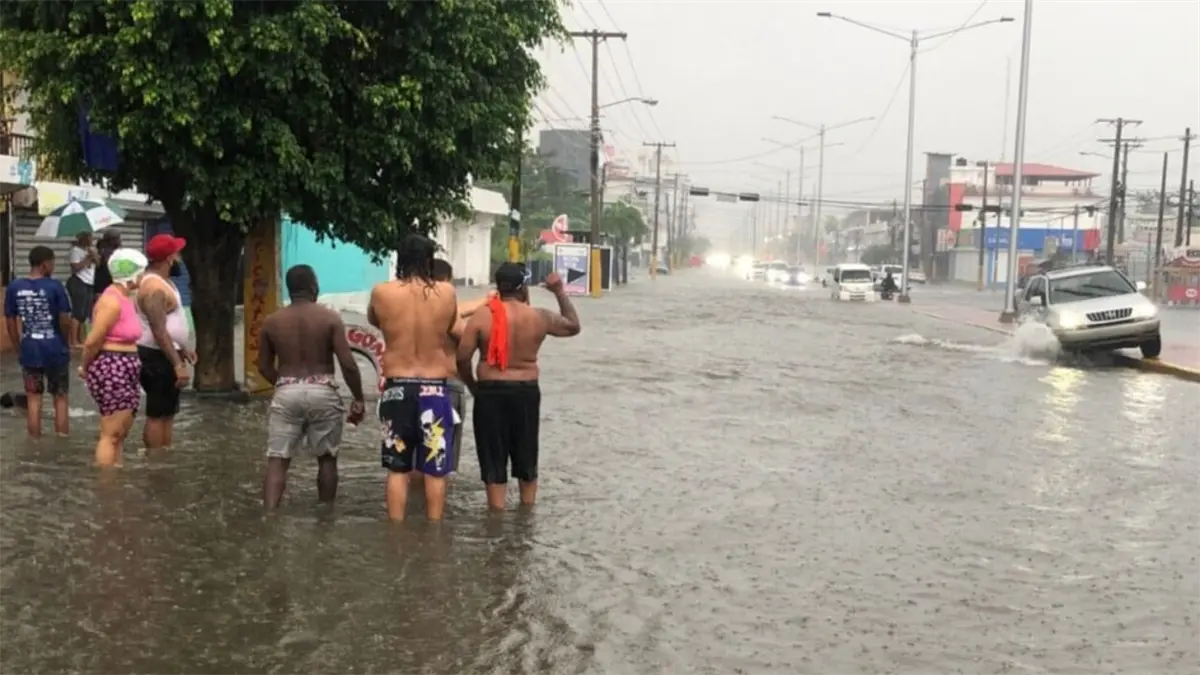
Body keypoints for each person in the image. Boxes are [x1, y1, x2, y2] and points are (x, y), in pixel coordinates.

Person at [456, 266, 580, 510]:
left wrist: (473, 385)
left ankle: (496, 517)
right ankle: (527, 515)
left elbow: (462, 358)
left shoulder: (482, 316)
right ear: (523, 287)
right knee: (526, 453)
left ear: (498, 287)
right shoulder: (538, 317)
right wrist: (559, 292)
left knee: (493, 457)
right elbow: (573, 326)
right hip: (525, 391)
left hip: (490, 392)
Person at [368, 234, 460, 521]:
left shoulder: (382, 292)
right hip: (435, 391)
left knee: (398, 469)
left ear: (400, 259)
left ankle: (395, 536)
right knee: (436, 468)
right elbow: (452, 326)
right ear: (429, 260)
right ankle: (433, 534)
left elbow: (375, 320)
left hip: (397, 391)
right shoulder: (447, 293)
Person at [258, 264, 366, 508]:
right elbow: (348, 364)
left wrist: (286, 384)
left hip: (286, 391)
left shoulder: (272, 322)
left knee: (277, 460)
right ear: (314, 287)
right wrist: (357, 398)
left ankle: (269, 516)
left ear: (290, 289)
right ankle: (325, 516)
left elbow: (263, 366)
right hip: (323, 391)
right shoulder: (330, 318)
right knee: (327, 459)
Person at [80, 249, 149, 466]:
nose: (143, 277)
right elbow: (92, 341)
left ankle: (116, 477)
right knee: (111, 433)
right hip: (112, 366)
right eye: (141, 272)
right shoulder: (111, 301)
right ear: (132, 275)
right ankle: (107, 486)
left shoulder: (125, 298)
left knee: (120, 433)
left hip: (124, 365)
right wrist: (85, 366)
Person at [426, 258, 492, 479]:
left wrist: (482, 302)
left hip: (414, 383)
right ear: (446, 282)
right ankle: (440, 510)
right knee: (443, 461)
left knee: (415, 459)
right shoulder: (449, 316)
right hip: (447, 385)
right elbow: (465, 336)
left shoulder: (414, 308)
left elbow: (455, 312)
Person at [4, 246, 73, 438]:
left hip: (30, 349)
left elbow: (10, 321)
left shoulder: (14, 287)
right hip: (54, 348)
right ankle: (62, 442)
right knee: (60, 397)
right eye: (52, 263)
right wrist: (64, 341)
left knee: (33, 399)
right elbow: (65, 319)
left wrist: (18, 346)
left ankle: (34, 443)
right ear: (44, 264)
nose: (53, 266)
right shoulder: (55, 287)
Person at [137, 233, 194, 450]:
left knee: (168, 412)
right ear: (169, 258)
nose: (179, 258)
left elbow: (169, 324)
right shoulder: (154, 288)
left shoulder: (164, 283)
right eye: (177, 253)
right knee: (157, 414)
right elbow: (159, 331)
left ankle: (163, 460)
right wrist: (178, 365)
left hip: (165, 355)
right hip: (155, 357)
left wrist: (183, 348)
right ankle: (154, 462)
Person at [66, 231, 98, 347]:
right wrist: (87, 259)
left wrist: (93, 255)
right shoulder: (75, 251)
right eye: (89, 237)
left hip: (89, 282)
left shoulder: (89, 250)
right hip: (79, 281)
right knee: (77, 312)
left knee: (85, 313)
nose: (91, 239)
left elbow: (98, 264)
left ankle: (80, 339)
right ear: (82, 238)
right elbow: (75, 267)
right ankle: (72, 341)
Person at [91, 229, 122, 296]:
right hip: (103, 285)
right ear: (111, 240)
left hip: (111, 284)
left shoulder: (113, 250)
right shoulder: (105, 251)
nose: (120, 240)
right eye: (118, 238)